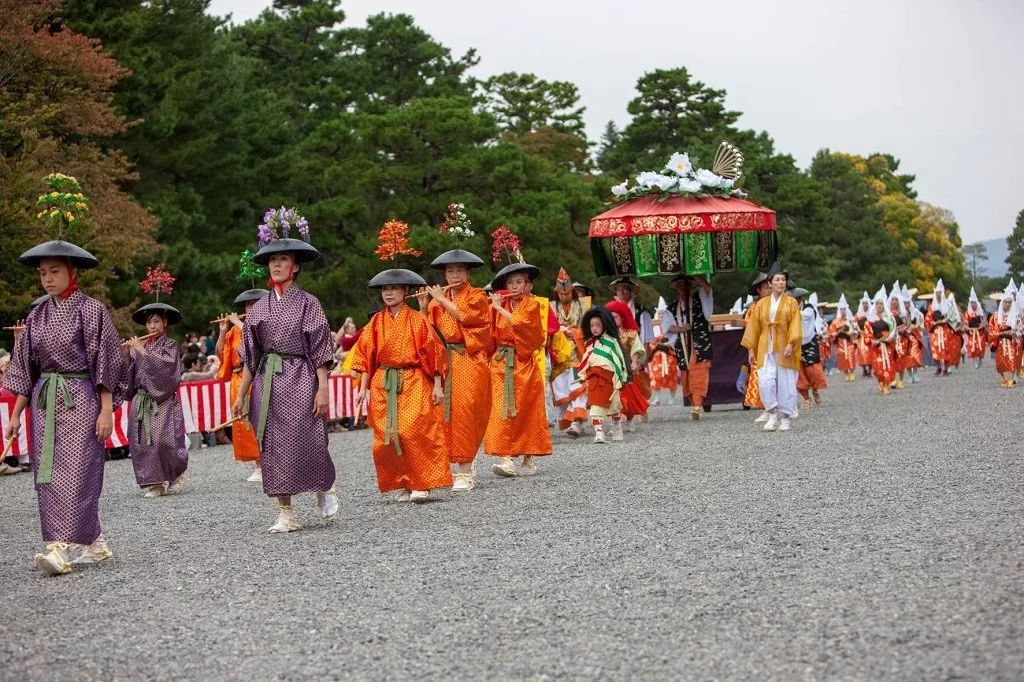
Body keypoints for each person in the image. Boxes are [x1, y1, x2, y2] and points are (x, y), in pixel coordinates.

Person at [4, 238, 123, 576]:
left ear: (73, 272)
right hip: (43, 401)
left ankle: (59, 548)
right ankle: (94, 542)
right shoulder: (37, 314)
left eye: (55, 271)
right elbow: (26, 368)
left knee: (77, 471)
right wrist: (14, 415)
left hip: (80, 396)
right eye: (43, 273)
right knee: (48, 473)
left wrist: (105, 409)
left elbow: (106, 363)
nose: (48, 279)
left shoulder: (92, 310)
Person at [231, 215, 338, 533]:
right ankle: (285, 511)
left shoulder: (309, 303)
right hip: (268, 381)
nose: (276, 265)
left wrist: (323, 388)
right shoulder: (259, 308)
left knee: (310, 437)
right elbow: (251, 357)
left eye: (283, 259)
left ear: (296, 266)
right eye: (273, 260)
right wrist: (240, 395)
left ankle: (323, 483)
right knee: (273, 444)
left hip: (302, 375)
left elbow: (320, 348)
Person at [352, 268, 452, 502]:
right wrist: (362, 388)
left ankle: (422, 483)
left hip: (413, 379)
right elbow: (365, 356)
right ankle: (404, 482)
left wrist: (438, 385)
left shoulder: (418, 320)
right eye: (385, 289)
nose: (388, 293)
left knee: (413, 432)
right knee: (387, 436)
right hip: (383, 383)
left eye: (393, 288)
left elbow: (433, 352)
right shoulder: (376, 321)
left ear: (404, 291)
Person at [421, 248, 491, 491]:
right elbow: (428, 332)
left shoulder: (478, 296)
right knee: (442, 413)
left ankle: (464, 469)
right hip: (443, 359)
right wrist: (423, 307)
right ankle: (459, 465)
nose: (455, 275)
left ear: (468, 272)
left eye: (459, 270)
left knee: (465, 410)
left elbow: (467, 318)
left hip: (467, 357)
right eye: (450, 271)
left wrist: (441, 299)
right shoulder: (436, 302)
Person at [485, 260, 552, 478]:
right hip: (501, 363)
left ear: (527, 285)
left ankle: (528, 457)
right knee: (501, 409)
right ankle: (506, 458)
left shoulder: (532, 305)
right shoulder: (500, 305)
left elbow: (522, 325)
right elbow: (490, 334)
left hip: (523, 363)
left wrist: (496, 308)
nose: (514, 286)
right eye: (510, 282)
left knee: (526, 410)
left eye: (519, 282)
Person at [122, 301, 189, 498]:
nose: (152, 326)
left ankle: (176, 471)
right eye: (149, 322)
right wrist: (127, 354)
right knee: (141, 442)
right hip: (142, 400)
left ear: (165, 323)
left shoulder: (169, 345)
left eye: (157, 321)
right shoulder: (138, 346)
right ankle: (155, 483)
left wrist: (142, 352)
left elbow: (168, 370)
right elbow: (128, 375)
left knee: (162, 441)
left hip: (163, 401)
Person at [740, 261, 802, 432]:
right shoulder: (761, 304)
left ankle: (786, 418)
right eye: (777, 280)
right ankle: (772, 414)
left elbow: (795, 325)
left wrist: (791, 344)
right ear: (770, 283)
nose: (781, 282)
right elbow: (753, 327)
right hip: (765, 346)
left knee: (786, 383)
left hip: (784, 347)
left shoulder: (791, 303)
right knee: (766, 381)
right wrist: (751, 349)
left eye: (783, 280)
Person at [216, 288, 267, 481]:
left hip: (257, 376)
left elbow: (258, 346)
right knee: (243, 424)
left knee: (259, 420)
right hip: (238, 380)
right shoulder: (233, 331)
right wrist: (222, 332)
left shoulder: (263, 325)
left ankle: (265, 462)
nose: (250, 307)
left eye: (254, 304)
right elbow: (223, 353)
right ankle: (257, 463)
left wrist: (239, 323)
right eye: (248, 305)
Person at [659, 275, 714, 421]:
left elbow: (708, 289)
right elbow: (666, 328)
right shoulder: (671, 307)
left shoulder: (700, 300)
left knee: (699, 372)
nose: (684, 289)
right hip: (682, 346)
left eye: (687, 285)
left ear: (692, 286)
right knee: (686, 377)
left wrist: (697, 275)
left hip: (699, 344)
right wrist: (681, 328)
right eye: (680, 286)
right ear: (677, 289)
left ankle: (697, 405)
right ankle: (694, 405)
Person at [549, 267, 590, 437]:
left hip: (577, 351)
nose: (564, 296)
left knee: (578, 385)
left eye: (567, 293)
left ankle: (577, 421)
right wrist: (559, 332)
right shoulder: (550, 306)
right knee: (562, 388)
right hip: (558, 353)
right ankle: (569, 418)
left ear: (572, 291)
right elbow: (548, 328)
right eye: (561, 293)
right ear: (556, 292)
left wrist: (572, 332)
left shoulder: (583, 305)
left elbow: (588, 327)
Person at [578, 306, 627, 443]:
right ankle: (599, 433)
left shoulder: (612, 342)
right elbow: (585, 360)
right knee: (595, 407)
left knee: (614, 406)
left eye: (597, 325)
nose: (594, 328)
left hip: (610, 379)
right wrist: (582, 374)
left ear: (604, 325)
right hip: (594, 378)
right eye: (592, 325)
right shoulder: (589, 343)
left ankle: (617, 426)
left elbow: (619, 359)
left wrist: (621, 376)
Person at [603, 300, 649, 431]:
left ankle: (629, 419)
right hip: (611, 371)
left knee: (630, 397)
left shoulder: (630, 333)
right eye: (609, 317)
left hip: (627, 371)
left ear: (622, 317)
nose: (612, 320)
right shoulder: (604, 335)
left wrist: (634, 362)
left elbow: (636, 348)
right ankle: (615, 423)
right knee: (613, 398)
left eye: (615, 317)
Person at [794, 288, 827, 407]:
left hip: (809, 342)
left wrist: (792, 312)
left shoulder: (808, 308)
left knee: (812, 369)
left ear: (799, 299)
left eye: (794, 300)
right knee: (799, 371)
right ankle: (806, 398)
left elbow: (806, 316)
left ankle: (815, 388)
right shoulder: (788, 309)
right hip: (795, 343)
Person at [744, 273, 769, 420]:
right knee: (762, 379)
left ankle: (785, 408)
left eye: (770, 287)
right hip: (760, 347)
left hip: (777, 345)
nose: (769, 290)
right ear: (758, 290)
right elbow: (750, 331)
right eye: (766, 287)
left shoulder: (779, 303)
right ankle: (766, 409)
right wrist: (750, 350)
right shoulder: (753, 308)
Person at [864, 288, 897, 394]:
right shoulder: (870, 320)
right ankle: (881, 383)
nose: (879, 305)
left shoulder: (889, 318)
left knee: (888, 365)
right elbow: (867, 334)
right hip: (876, 347)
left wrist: (888, 338)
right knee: (878, 369)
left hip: (888, 346)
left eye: (881, 304)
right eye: (877, 304)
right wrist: (872, 341)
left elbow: (893, 330)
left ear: (884, 306)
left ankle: (887, 385)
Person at [988, 291, 1020, 388]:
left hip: (1012, 342)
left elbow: (1019, 330)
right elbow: (991, 331)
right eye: (1005, 302)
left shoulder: (1016, 315)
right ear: (1002, 303)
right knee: (1000, 363)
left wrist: (1016, 333)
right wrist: (1003, 333)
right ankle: (1005, 378)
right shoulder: (995, 316)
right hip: (1000, 342)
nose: (1007, 304)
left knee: (1011, 359)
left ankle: (1010, 380)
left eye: (1009, 302)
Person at [925, 280, 956, 376]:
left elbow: (952, 316)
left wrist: (945, 320)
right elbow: (927, 319)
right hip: (935, 331)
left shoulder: (947, 304)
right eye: (937, 292)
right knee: (935, 349)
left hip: (945, 330)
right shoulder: (931, 306)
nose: (938, 294)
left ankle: (946, 368)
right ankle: (938, 367)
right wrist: (934, 322)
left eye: (940, 292)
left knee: (946, 349)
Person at [830, 294, 859, 382]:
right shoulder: (835, 322)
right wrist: (838, 333)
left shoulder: (851, 320)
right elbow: (831, 332)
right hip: (840, 342)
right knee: (842, 357)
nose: (843, 311)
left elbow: (856, 330)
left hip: (849, 341)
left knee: (851, 356)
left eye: (844, 309)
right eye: (841, 309)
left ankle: (852, 372)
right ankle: (846, 373)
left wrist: (852, 333)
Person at [964, 287, 987, 368]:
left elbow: (984, 322)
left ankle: (980, 359)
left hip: (980, 332)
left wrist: (981, 326)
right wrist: (969, 328)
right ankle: (975, 362)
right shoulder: (967, 313)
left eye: (974, 302)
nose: (973, 304)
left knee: (980, 347)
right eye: (972, 302)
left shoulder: (980, 312)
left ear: (977, 303)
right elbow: (965, 324)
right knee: (972, 347)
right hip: (971, 332)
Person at [855, 292, 873, 377]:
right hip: (861, 336)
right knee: (861, 352)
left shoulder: (872, 314)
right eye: (863, 303)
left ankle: (870, 369)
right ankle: (864, 369)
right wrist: (858, 330)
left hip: (869, 335)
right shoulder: (858, 315)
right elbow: (854, 324)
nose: (865, 305)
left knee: (870, 352)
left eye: (866, 303)